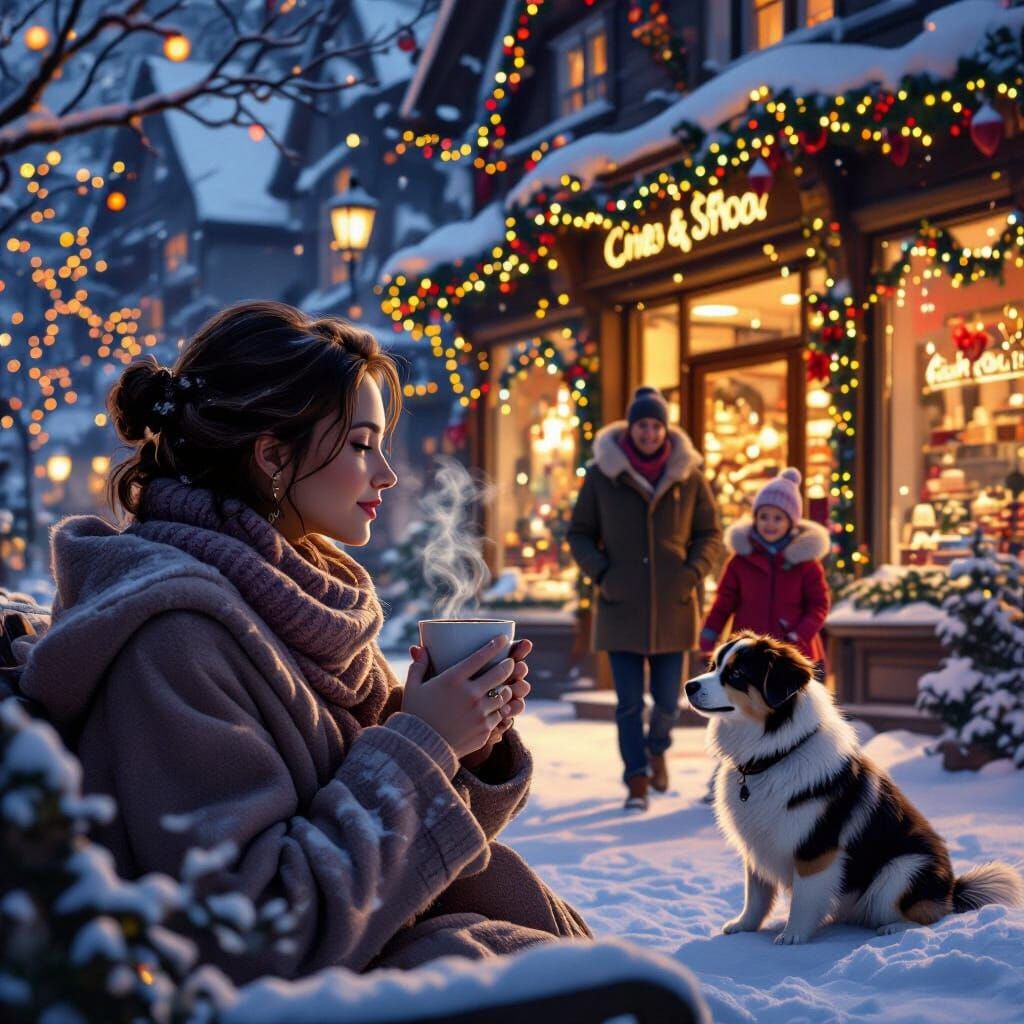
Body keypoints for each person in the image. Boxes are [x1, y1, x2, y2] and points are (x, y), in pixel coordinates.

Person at [18, 301, 590, 984]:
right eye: (359, 444)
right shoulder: (173, 640)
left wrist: (467, 744)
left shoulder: (296, 604)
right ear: (272, 457)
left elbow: (387, 849)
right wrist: (421, 743)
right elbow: (254, 933)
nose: (387, 473)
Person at [568, 386, 723, 812]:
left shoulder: (689, 476)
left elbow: (710, 533)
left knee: (670, 702)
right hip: (619, 606)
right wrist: (602, 573)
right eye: (642, 425)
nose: (649, 433)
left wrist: (692, 573)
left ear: (665, 428)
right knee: (629, 704)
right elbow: (579, 532)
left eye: (656, 425)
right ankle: (636, 779)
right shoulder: (603, 475)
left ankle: (658, 748)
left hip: (675, 607)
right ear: (631, 427)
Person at [699, 467, 830, 674]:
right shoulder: (740, 562)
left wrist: (799, 635)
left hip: (795, 654)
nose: (770, 523)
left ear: (791, 522)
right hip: (748, 653)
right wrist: (709, 635)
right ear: (755, 518)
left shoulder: (806, 564)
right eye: (764, 517)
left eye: (778, 518)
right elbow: (723, 603)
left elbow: (819, 606)